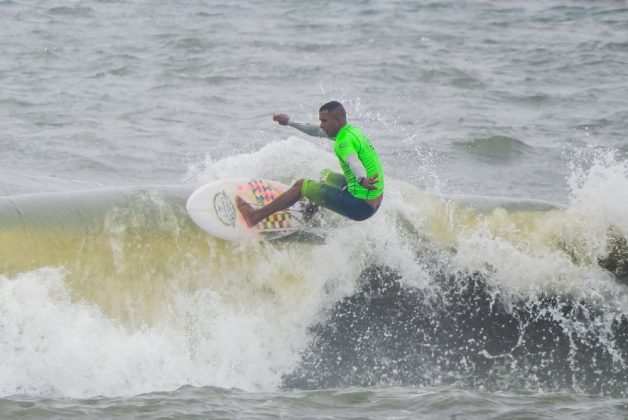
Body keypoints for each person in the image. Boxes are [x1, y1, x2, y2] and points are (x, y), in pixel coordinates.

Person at [236, 100, 384, 227]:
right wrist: (289, 122)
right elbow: (315, 131)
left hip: (359, 206)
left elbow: (353, 160)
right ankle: (310, 213)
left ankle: (254, 217)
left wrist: (361, 179)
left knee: (301, 185)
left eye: (324, 121)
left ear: (338, 120)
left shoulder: (342, 142)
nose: (321, 125)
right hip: (374, 201)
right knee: (325, 175)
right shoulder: (351, 132)